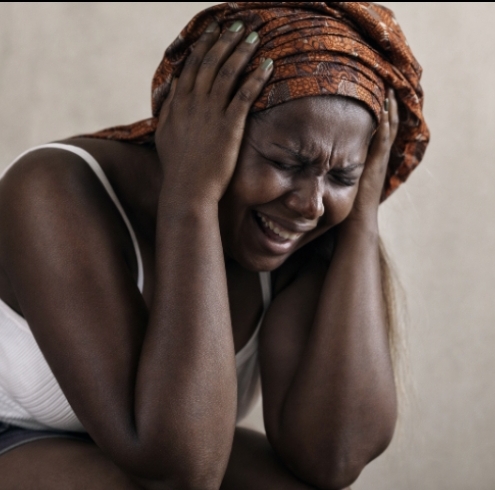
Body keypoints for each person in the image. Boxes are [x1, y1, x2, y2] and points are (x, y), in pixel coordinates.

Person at [0, 3, 428, 489]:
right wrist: (190, 196)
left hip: (150, 451)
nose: (310, 205)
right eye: (286, 163)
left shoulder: (306, 236)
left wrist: (361, 221)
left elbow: (334, 456)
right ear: (205, 130)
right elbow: (182, 470)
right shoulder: (52, 190)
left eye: (342, 176)